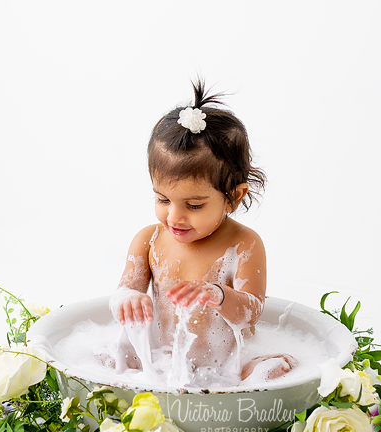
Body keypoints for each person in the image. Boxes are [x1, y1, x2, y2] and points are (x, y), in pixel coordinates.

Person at [110, 80, 294, 384]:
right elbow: (123, 291)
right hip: (163, 358)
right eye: (163, 199)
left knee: (274, 369)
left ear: (233, 197)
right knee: (106, 356)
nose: (174, 216)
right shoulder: (149, 240)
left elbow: (251, 312)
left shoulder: (243, 245)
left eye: (193, 205)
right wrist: (128, 299)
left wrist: (219, 295)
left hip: (229, 363)